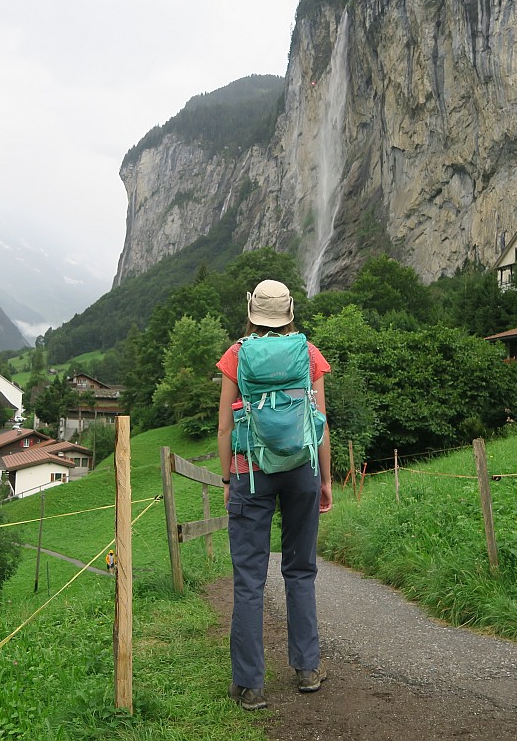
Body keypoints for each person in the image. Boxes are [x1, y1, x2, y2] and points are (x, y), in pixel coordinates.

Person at [217, 279, 332, 711]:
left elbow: (225, 426)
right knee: (301, 570)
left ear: (252, 313)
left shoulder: (237, 354)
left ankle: (250, 685)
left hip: (252, 473)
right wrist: (325, 478)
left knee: (249, 579)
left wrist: (228, 479)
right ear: (289, 314)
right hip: (301, 468)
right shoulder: (308, 353)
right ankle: (306, 670)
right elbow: (319, 421)